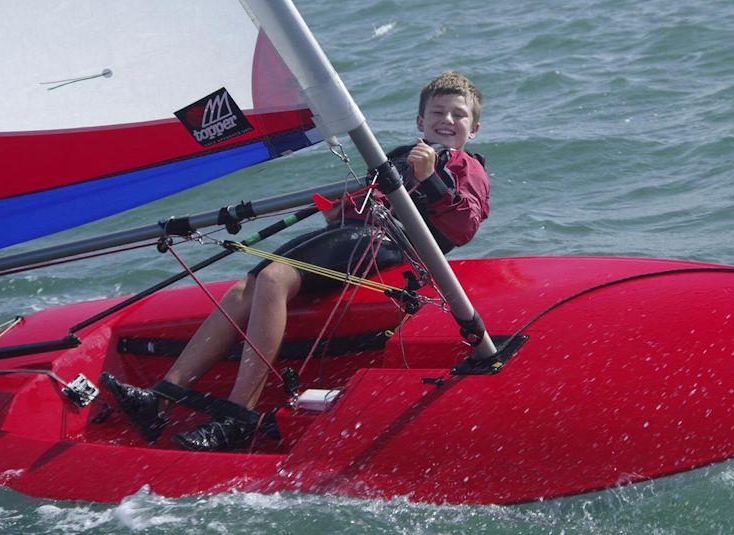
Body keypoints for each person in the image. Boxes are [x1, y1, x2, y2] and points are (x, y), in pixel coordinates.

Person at [101, 71, 490, 451]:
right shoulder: (399, 156)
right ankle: (162, 397)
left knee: (273, 279)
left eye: (458, 115)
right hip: (350, 235)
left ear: (472, 129)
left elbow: (464, 226)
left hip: (391, 244)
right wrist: (340, 211)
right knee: (244, 290)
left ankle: (238, 415)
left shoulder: (465, 165)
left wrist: (432, 178)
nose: (447, 121)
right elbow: (364, 203)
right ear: (421, 120)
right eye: (438, 113)